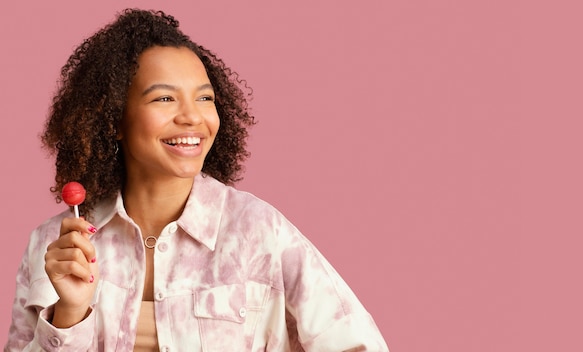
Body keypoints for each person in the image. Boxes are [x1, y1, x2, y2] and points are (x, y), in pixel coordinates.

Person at [4, 8, 388, 351]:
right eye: (165, 99)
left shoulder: (258, 232)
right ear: (114, 119)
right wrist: (68, 316)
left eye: (205, 98)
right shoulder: (56, 244)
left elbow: (358, 344)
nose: (192, 117)